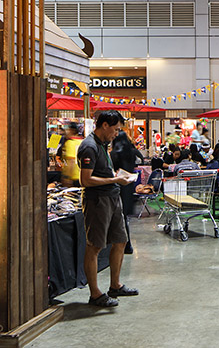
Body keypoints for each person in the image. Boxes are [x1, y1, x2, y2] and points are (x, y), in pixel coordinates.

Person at [77, 110, 137, 307]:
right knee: (94, 246)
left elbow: (102, 172)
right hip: (98, 201)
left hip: (112, 197)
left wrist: (116, 176)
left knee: (120, 240)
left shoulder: (103, 144)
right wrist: (115, 179)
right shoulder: (89, 146)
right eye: (115, 129)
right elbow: (85, 180)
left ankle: (115, 285)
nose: (117, 134)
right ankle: (95, 294)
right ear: (104, 125)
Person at [110, 129, 143, 254]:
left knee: (119, 217)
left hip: (118, 186)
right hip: (129, 187)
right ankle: (127, 244)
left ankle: (124, 244)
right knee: (124, 218)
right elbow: (141, 160)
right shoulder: (131, 152)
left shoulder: (114, 153)